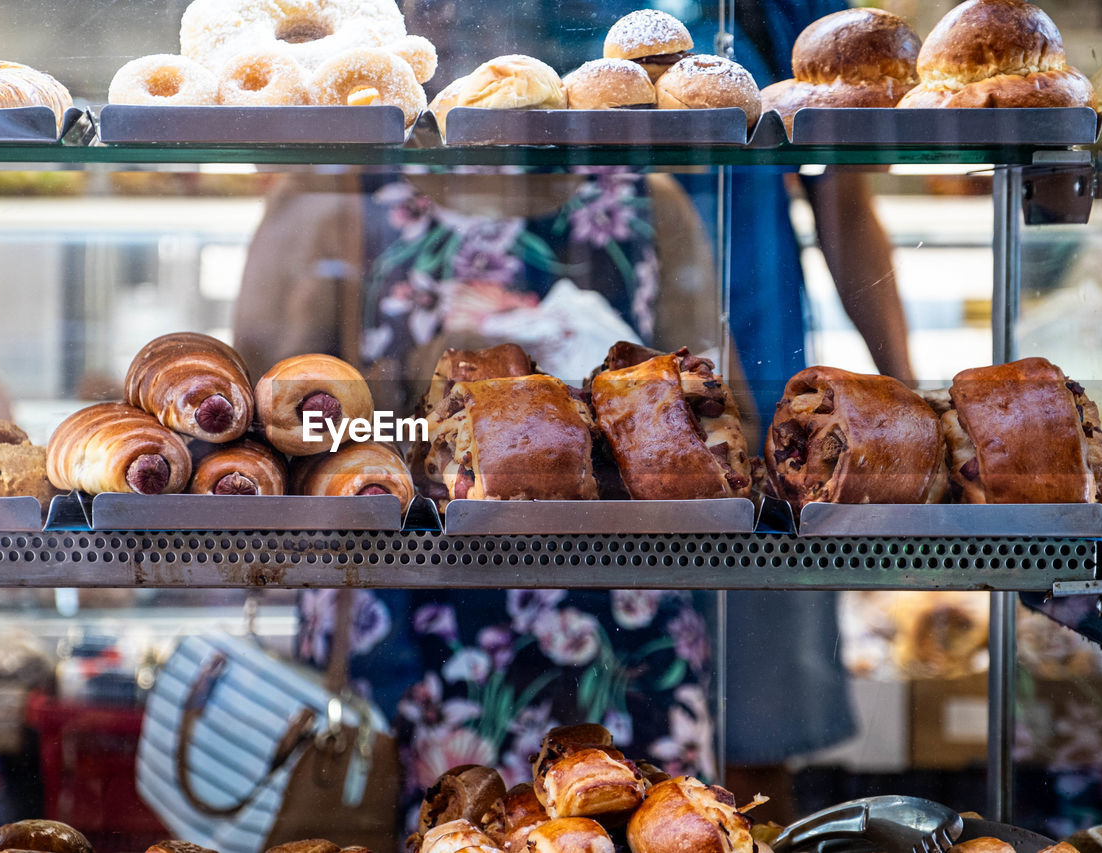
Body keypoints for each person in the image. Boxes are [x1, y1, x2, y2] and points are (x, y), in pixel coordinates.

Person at [232, 0, 915, 834]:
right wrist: (420, 406)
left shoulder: (647, 203)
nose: (471, 27)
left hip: (619, 627)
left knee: (637, 823)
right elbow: (266, 430)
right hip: (406, 623)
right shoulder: (334, 194)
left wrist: (590, 399)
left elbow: (719, 429)